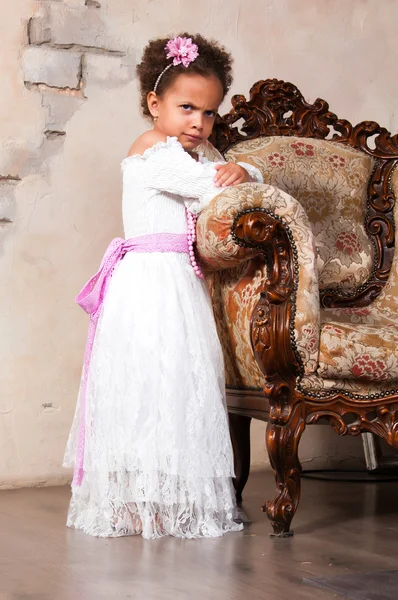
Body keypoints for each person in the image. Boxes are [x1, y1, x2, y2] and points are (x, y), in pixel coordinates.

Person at [63, 33, 263, 539]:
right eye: (187, 107)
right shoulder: (154, 148)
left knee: (179, 386)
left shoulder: (196, 151)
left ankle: (170, 501)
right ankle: (138, 501)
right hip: (149, 283)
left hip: (179, 283)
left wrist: (245, 167)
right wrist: (237, 172)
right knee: (148, 385)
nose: (199, 122)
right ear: (155, 104)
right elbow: (211, 187)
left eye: (210, 112)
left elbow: (244, 182)